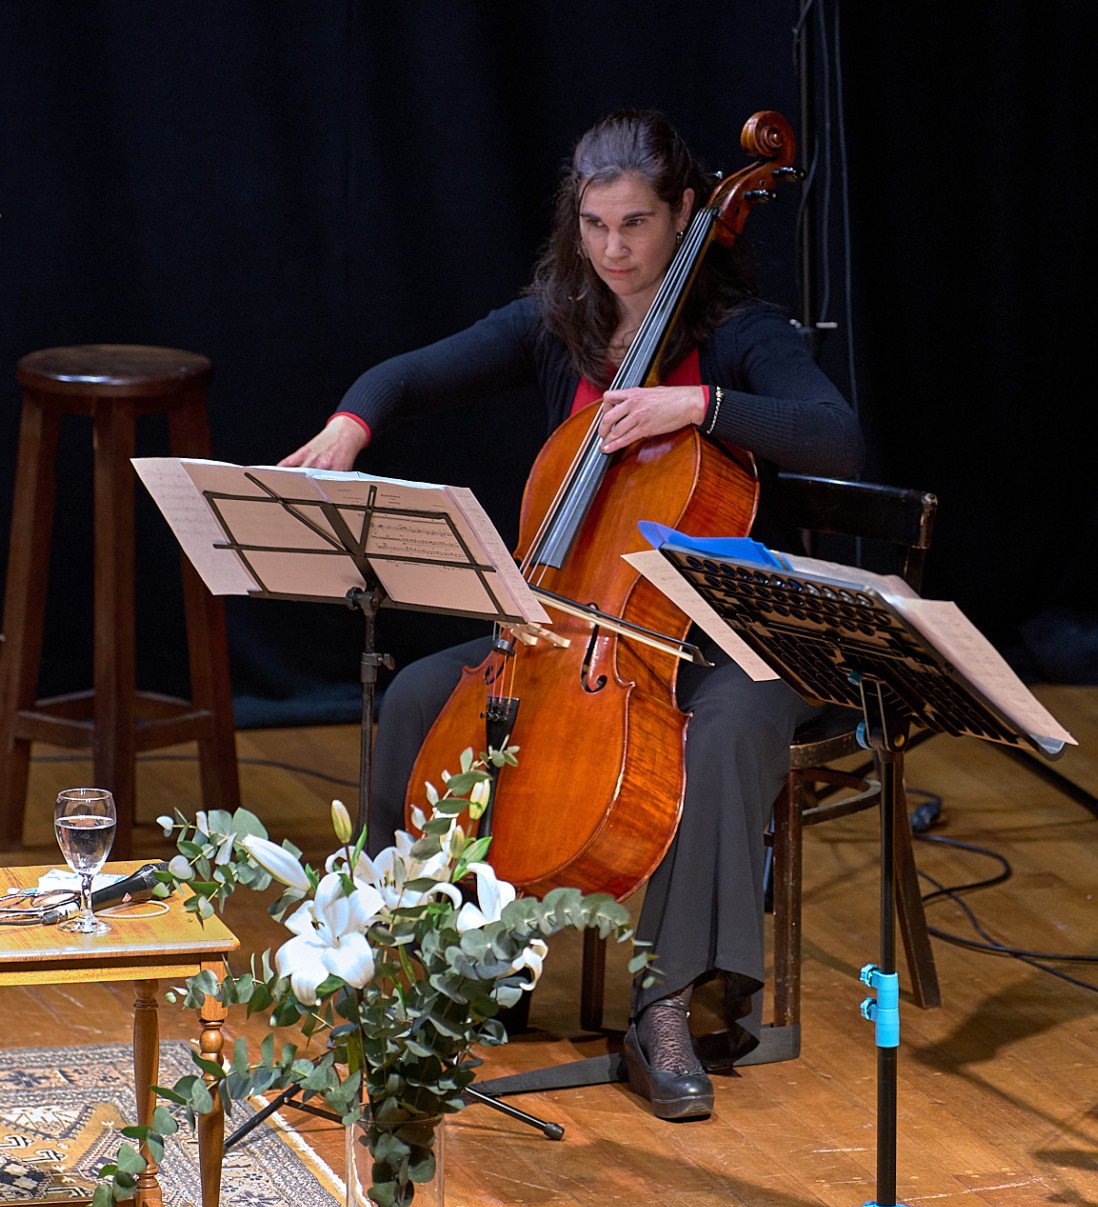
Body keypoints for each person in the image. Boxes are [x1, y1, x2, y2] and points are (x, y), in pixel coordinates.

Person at [280, 109, 863, 1122]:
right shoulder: (562, 322)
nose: (613, 249)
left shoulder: (743, 335)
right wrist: (349, 424)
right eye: (594, 225)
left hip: (730, 634)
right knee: (420, 696)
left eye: (635, 223)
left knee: (723, 732)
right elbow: (408, 373)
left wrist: (700, 407)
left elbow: (838, 438)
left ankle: (666, 1006)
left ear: (686, 212)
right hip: (588, 625)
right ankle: (436, 961)